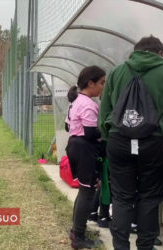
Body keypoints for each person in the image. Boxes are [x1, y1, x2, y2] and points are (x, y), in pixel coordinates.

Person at [99, 35, 163, 250]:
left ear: (136, 51)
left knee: (121, 196)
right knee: (149, 196)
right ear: (160, 53)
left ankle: (120, 246)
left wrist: (107, 134)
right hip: (153, 141)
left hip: (119, 140)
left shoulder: (116, 72)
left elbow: (105, 109)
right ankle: (145, 246)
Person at [65, 66, 106, 249]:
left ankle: (76, 230)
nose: (103, 87)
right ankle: (78, 236)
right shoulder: (88, 103)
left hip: (74, 144)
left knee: (84, 189)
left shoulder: (76, 101)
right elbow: (90, 133)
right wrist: (106, 130)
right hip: (84, 147)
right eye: (102, 83)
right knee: (88, 191)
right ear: (91, 83)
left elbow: (68, 126)